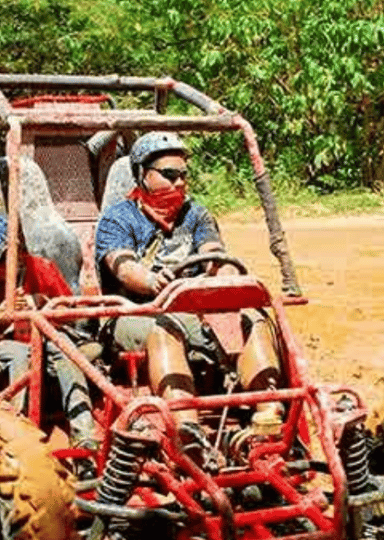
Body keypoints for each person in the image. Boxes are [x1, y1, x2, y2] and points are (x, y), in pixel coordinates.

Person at [95, 132, 283, 463]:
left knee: (252, 318)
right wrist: (152, 281)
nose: (179, 182)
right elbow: (123, 267)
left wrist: (223, 273)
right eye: (169, 174)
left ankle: (269, 419)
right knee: (165, 328)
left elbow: (213, 253)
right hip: (134, 313)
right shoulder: (118, 218)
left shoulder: (196, 214)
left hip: (193, 310)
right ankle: (187, 432)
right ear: (143, 174)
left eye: (184, 175)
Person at [0, 171, 98, 464]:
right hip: (12, 340)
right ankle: (20, 434)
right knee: (19, 362)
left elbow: (70, 313)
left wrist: (42, 304)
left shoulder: (40, 267)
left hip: (50, 334)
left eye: (13, 256)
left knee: (70, 361)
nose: (7, 267)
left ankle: (84, 434)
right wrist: (0, 314)